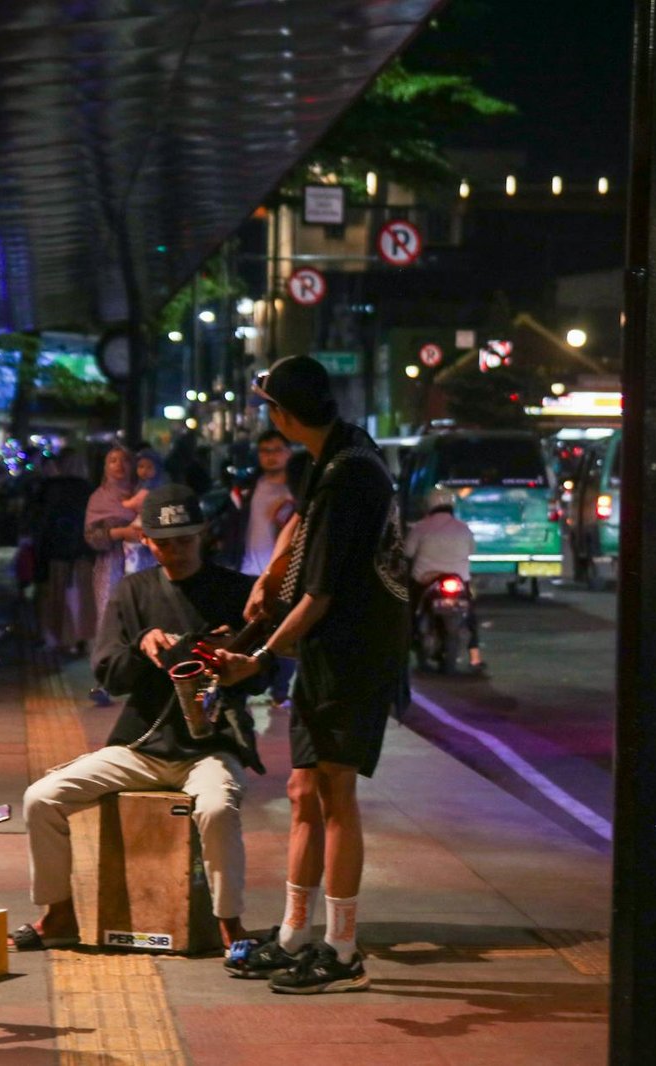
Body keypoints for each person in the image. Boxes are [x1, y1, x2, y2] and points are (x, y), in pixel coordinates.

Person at [212, 355, 410, 994]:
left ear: (285, 415)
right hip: (332, 650)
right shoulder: (343, 452)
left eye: (270, 407)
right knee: (304, 790)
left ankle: (343, 948)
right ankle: (298, 931)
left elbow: (319, 595)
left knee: (335, 793)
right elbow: (301, 531)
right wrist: (271, 574)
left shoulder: (347, 477)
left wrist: (261, 656)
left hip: (353, 651)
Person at [12, 485, 266, 951]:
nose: (174, 551)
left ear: (203, 534)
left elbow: (266, 673)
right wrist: (144, 646)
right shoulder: (133, 591)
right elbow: (109, 674)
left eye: (184, 540)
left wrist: (236, 667)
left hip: (208, 747)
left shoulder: (237, 590)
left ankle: (230, 923)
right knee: (41, 797)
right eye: (163, 542)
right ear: (146, 542)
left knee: (215, 807)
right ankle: (58, 912)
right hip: (141, 746)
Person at [214, 428, 299, 707]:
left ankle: (279, 691)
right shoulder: (249, 487)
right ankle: (242, 685)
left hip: (282, 574)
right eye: (265, 451)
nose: (271, 456)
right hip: (247, 569)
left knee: (283, 631)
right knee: (245, 630)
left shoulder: (299, 490)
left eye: (277, 450)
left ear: (289, 452)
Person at [403, 487, 486, 672]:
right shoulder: (463, 528)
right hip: (459, 580)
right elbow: (472, 551)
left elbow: (407, 552)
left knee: (409, 612)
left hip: (425, 580)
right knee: (470, 615)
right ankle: (475, 657)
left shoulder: (420, 527)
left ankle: (402, 652)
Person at [85, 445, 144, 703]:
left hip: (144, 564)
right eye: (112, 461)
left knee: (143, 618)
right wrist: (120, 533)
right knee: (108, 621)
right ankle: (105, 681)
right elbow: (90, 537)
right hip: (111, 565)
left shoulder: (144, 494)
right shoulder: (98, 498)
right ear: (105, 467)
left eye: (124, 460)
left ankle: (143, 680)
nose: (119, 465)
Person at [25, 453, 96, 656]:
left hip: (54, 552)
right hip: (82, 553)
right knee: (79, 597)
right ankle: (77, 639)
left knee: (53, 596)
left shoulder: (49, 487)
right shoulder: (90, 490)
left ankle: (53, 638)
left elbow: (38, 519)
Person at [120, 447, 167, 576]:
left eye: (149, 467)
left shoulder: (150, 488)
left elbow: (134, 503)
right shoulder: (143, 485)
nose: (144, 471)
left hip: (147, 524)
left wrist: (123, 502)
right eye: (141, 466)